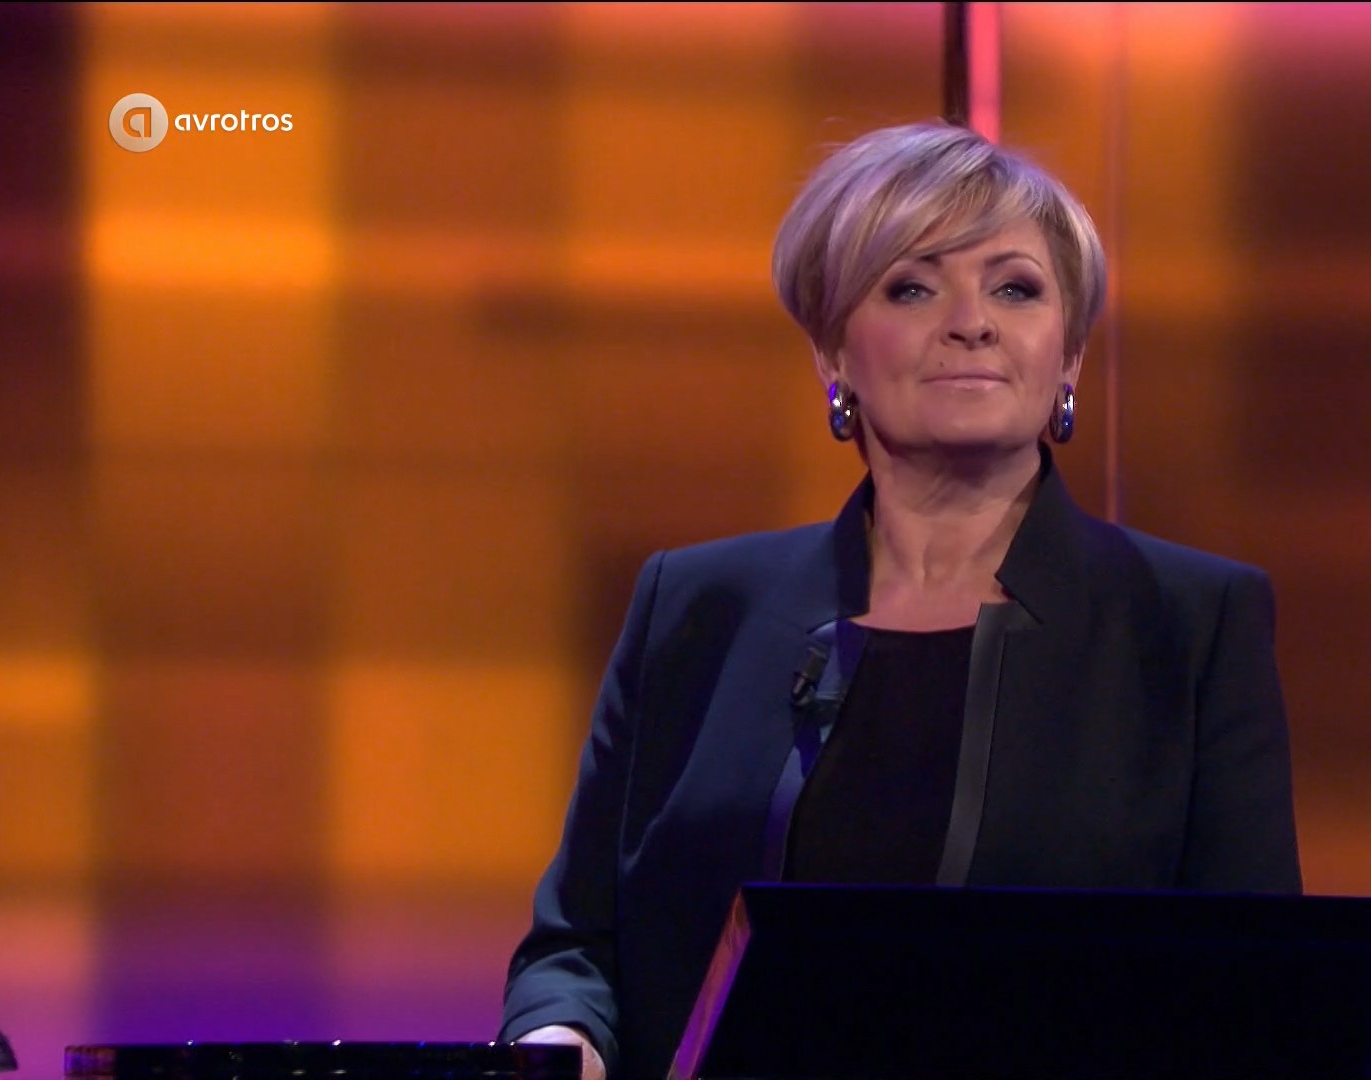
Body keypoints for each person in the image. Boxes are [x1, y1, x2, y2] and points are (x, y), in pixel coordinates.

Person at [498, 120, 1302, 1080]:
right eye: (912, 288)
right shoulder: (696, 606)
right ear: (832, 354)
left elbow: (1262, 995)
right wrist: (560, 1043)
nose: (971, 322)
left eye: (1015, 288)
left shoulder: (1189, 624)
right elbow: (574, 948)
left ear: (1070, 358)